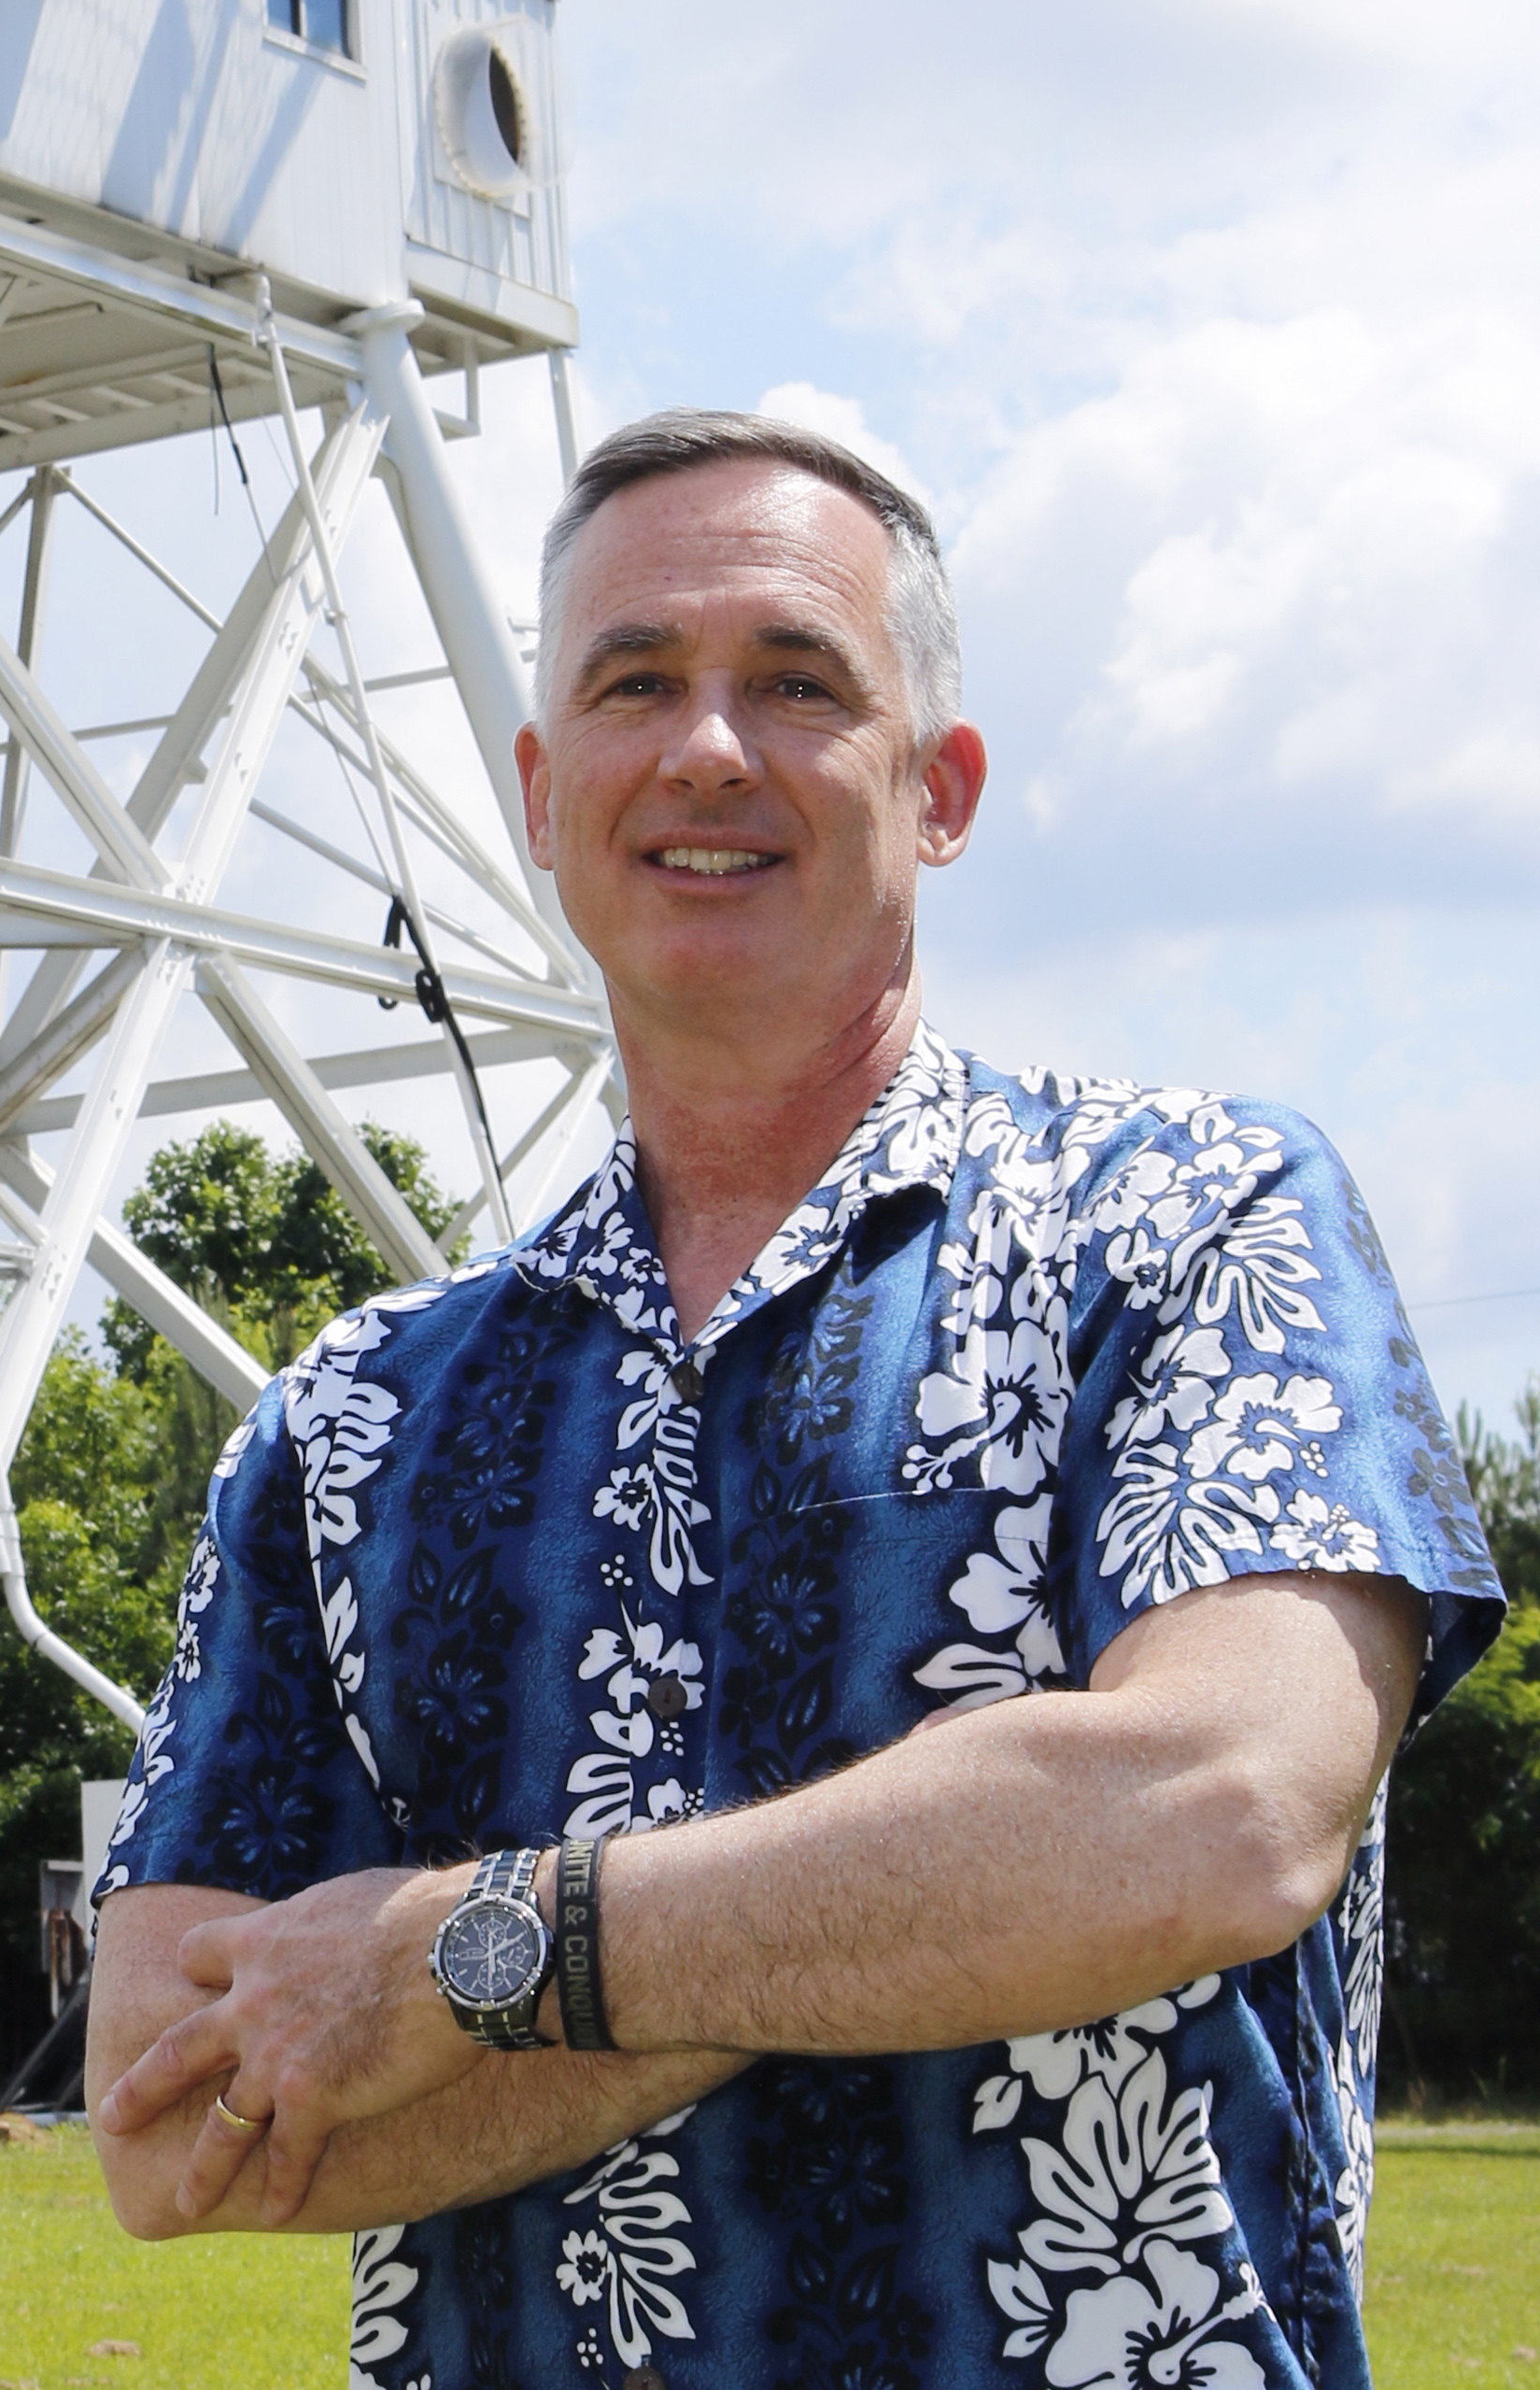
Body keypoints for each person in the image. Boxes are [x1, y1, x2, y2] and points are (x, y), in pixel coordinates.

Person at [85, 407, 1497, 2388]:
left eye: (800, 683)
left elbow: (1216, 1814)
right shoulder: (359, 1417)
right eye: (636, 681)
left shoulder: (1191, 1224)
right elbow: (167, 2115)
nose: (710, 748)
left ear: (942, 788)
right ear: (541, 787)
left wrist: (472, 1961)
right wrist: (951, 1893)